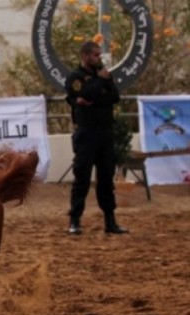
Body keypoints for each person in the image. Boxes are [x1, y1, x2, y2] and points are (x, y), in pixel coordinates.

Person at [65, 41, 128, 235]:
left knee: (106, 179)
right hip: (87, 134)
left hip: (105, 134)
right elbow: (83, 93)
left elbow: (114, 97)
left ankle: (110, 221)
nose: (99, 59)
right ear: (85, 56)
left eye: (100, 55)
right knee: (82, 178)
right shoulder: (76, 77)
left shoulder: (104, 75)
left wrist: (93, 98)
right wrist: (98, 85)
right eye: (95, 55)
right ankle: (75, 220)